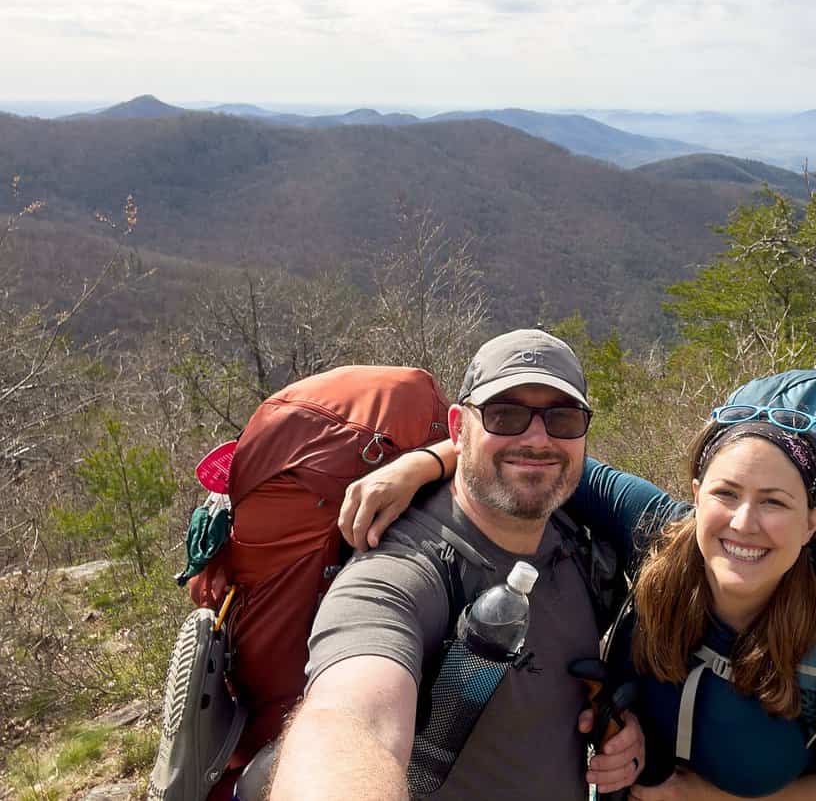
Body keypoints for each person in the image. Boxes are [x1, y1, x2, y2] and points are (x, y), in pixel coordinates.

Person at [342, 407, 816, 800]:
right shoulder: (662, 534)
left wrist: (706, 798)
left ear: (812, 523)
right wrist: (423, 463)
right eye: (726, 493)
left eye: (775, 503)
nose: (743, 523)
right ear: (696, 496)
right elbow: (543, 460)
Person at [270, 329, 646, 801]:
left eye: (562, 418)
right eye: (504, 415)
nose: (536, 439)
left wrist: (620, 732)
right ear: (457, 429)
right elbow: (348, 723)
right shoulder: (402, 569)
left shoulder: (578, 539)